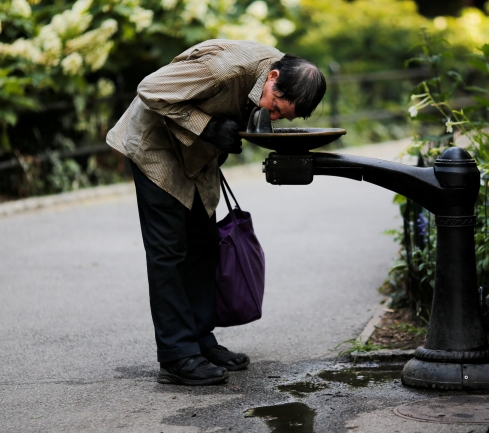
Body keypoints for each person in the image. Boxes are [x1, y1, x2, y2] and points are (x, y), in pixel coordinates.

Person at [106, 39, 326, 386]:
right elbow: (149, 89)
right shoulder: (223, 70)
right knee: (169, 253)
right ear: (272, 77)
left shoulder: (272, 78)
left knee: (205, 244)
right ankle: (177, 356)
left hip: (196, 156)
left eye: (282, 116)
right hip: (155, 148)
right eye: (276, 109)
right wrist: (208, 127)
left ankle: (200, 341)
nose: (273, 117)